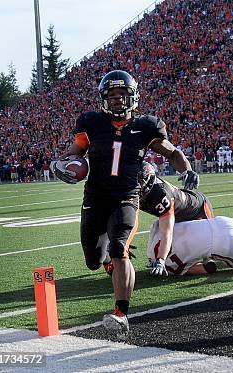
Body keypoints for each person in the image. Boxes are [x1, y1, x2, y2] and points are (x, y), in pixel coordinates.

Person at [52, 70, 200, 338]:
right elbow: (74, 153)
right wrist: (61, 165)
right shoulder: (91, 123)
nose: (118, 100)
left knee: (120, 248)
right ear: (103, 98)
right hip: (95, 198)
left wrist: (185, 169)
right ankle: (109, 261)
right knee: (93, 261)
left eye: (122, 94)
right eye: (112, 95)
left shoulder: (147, 126)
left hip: (126, 198)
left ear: (133, 97)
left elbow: (173, 152)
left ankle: (121, 314)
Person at [137, 162, 213, 277]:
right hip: (178, 215)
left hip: (198, 208)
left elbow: (167, 232)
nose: (135, 186)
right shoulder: (141, 191)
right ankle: (156, 261)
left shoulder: (161, 194)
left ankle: (211, 260)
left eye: (138, 182)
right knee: (155, 228)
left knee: (211, 243)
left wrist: (161, 260)